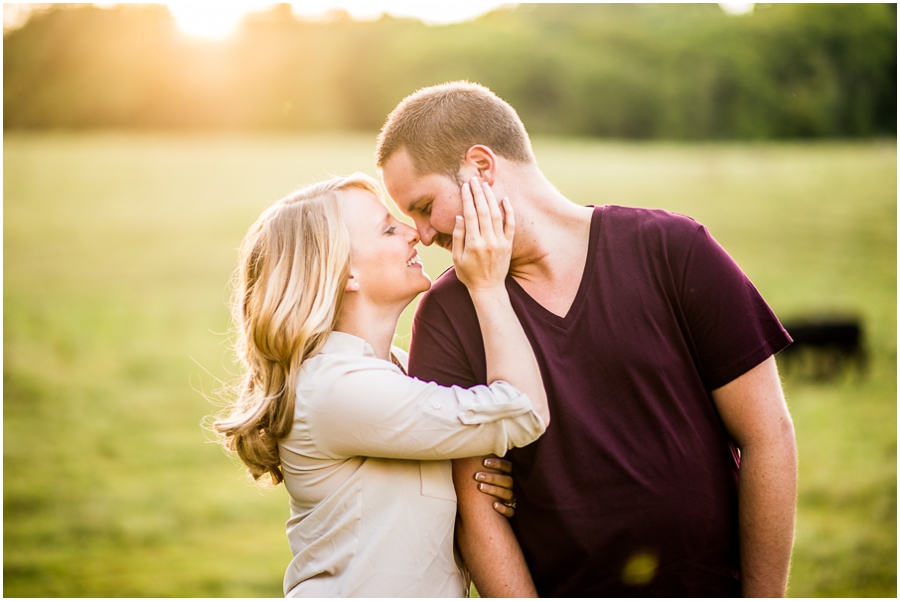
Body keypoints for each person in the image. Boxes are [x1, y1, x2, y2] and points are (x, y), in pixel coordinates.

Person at [376, 81, 798, 597]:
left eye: (424, 205)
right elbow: (476, 513)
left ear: (481, 168)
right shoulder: (447, 314)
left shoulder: (673, 249)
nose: (421, 235)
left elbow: (767, 436)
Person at [213, 172, 551, 597]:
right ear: (345, 274)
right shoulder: (336, 389)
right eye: (389, 229)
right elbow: (522, 410)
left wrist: (486, 476)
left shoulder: (393, 372)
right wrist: (486, 284)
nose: (414, 233)